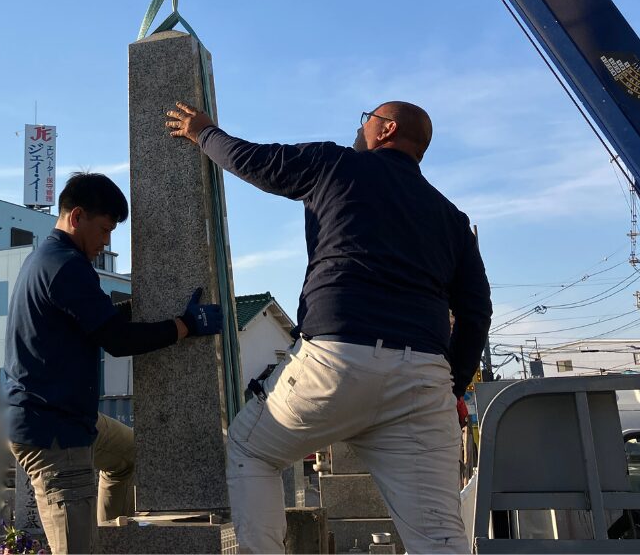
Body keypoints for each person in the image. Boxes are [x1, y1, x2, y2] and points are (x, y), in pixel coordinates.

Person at [166, 100, 492, 554]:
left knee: (251, 449)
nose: (360, 129)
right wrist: (449, 388)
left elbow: (254, 161)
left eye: (367, 120)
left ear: (386, 129)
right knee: (439, 539)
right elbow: (476, 313)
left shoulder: (335, 164)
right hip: (423, 378)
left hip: (337, 359)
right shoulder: (451, 218)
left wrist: (203, 132)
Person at [4, 172, 224, 555]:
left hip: (66, 417)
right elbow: (117, 340)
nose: (106, 241)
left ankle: (107, 536)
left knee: (127, 454)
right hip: (52, 432)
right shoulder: (65, 266)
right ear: (77, 217)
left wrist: (147, 305)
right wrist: (184, 326)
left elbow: (99, 320)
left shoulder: (50, 259)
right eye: (104, 229)